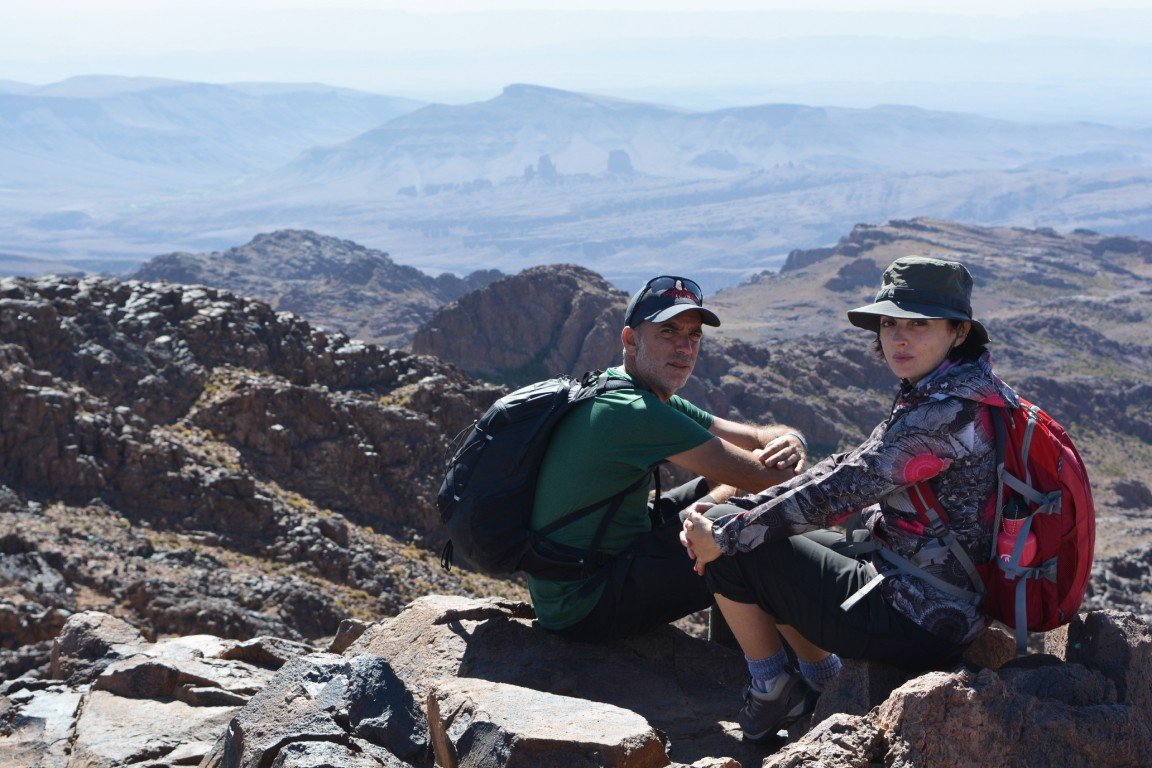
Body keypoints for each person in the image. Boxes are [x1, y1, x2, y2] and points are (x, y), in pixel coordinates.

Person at [681, 256, 1017, 743]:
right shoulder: (960, 389)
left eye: (919, 324)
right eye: (889, 323)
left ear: (959, 331)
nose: (899, 338)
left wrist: (726, 534)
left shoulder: (943, 414)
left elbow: (836, 495)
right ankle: (822, 680)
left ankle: (773, 689)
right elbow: (848, 466)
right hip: (924, 587)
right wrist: (746, 513)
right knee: (743, 529)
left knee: (732, 548)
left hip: (920, 618)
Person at [528, 275, 810, 643]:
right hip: (585, 603)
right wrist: (748, 477)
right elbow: (775, 481)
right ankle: (765, 672)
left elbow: (755, 438)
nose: (685, 347)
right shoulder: (634, 411)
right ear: (630, 340)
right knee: (738, 531)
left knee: (725, 503)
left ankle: (739, 658)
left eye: (694, 335)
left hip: (583, 574)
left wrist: (792, 439)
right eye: (668, 332)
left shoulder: (626, 387)